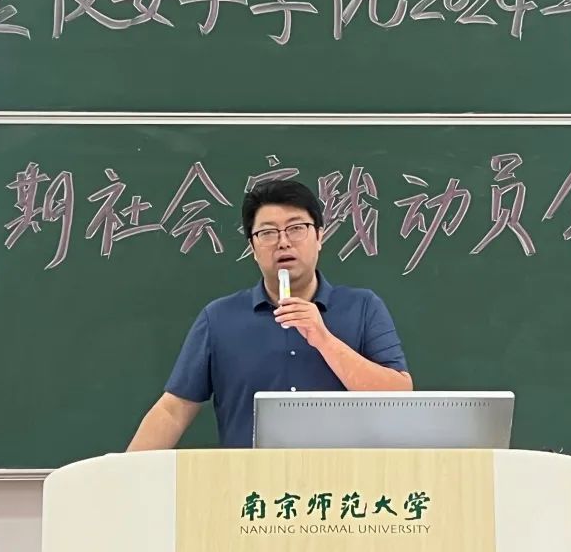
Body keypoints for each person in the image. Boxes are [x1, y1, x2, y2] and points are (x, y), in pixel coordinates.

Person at [126, 179, 412, 451]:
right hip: (249, 482)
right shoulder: (219, 318)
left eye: (296, 228)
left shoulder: (362, 307)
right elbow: (173, 410)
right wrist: (122, 474)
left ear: (319, 237)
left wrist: (324, 339)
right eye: (268, 233)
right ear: (252, 248)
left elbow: (399, 399)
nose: (283, 242)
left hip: (341, 482)